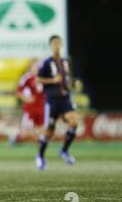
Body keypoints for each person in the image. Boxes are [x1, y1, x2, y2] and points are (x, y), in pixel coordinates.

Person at [36, 35, 79, 171]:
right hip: (52, 100)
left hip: (65, 98)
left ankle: (64, 151)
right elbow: (38, 79)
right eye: (54, 43)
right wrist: (53, 80)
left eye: (59, 43)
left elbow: (68, 79)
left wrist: (73, 83)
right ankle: (40, 156)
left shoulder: (66, 61)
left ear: (61, 45)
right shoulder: (46, 62)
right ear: (50, 45)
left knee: (74, 121)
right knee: (49, 132)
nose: (57, 45)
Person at [8, 59, 45, 146]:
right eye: (34, 66)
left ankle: (41, 149)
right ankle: (15, 139)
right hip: (30, 109)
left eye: (38, 66)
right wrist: (26, 99)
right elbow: (17, 92)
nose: (36, 68)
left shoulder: (43, 78)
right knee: (26, 133)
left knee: (42, 132)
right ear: (30, 67)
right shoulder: (26, 78)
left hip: (41, 108)